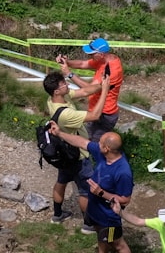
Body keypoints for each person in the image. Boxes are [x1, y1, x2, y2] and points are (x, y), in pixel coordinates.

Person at [49, 122, 134, 253]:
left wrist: (101, 193)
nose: (96, 144)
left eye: (100, 143)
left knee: (117, 243)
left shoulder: (123, 171)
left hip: (109, 215)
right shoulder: (103, 154)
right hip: (95, 208)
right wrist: (59, 133)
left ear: (107, 148)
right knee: (99, 232)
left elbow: (125, 199)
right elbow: (81, 142)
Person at [42, 73, 112, 232]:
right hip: (78, 155)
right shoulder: (66, 114)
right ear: (56, 92)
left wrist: (102, 85)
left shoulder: (54, 100)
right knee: (85, 191)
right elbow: (95, 115)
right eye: (63, 84)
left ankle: (57, 215)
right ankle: (88, 225)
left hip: (63, 153)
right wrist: (106, 91)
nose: (66, 85)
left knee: (61, 181)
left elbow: (84, 92)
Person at [57, 38, 124, 143]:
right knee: (88, 140)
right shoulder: (104, 60)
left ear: (100, 54)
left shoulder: (111, 70)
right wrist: (67, 62)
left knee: (96, 146)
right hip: (96, 110)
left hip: (104, 114)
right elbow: (83, 64)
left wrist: (69, 73)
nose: (90, 56)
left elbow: (88, 90)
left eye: (91, 54)